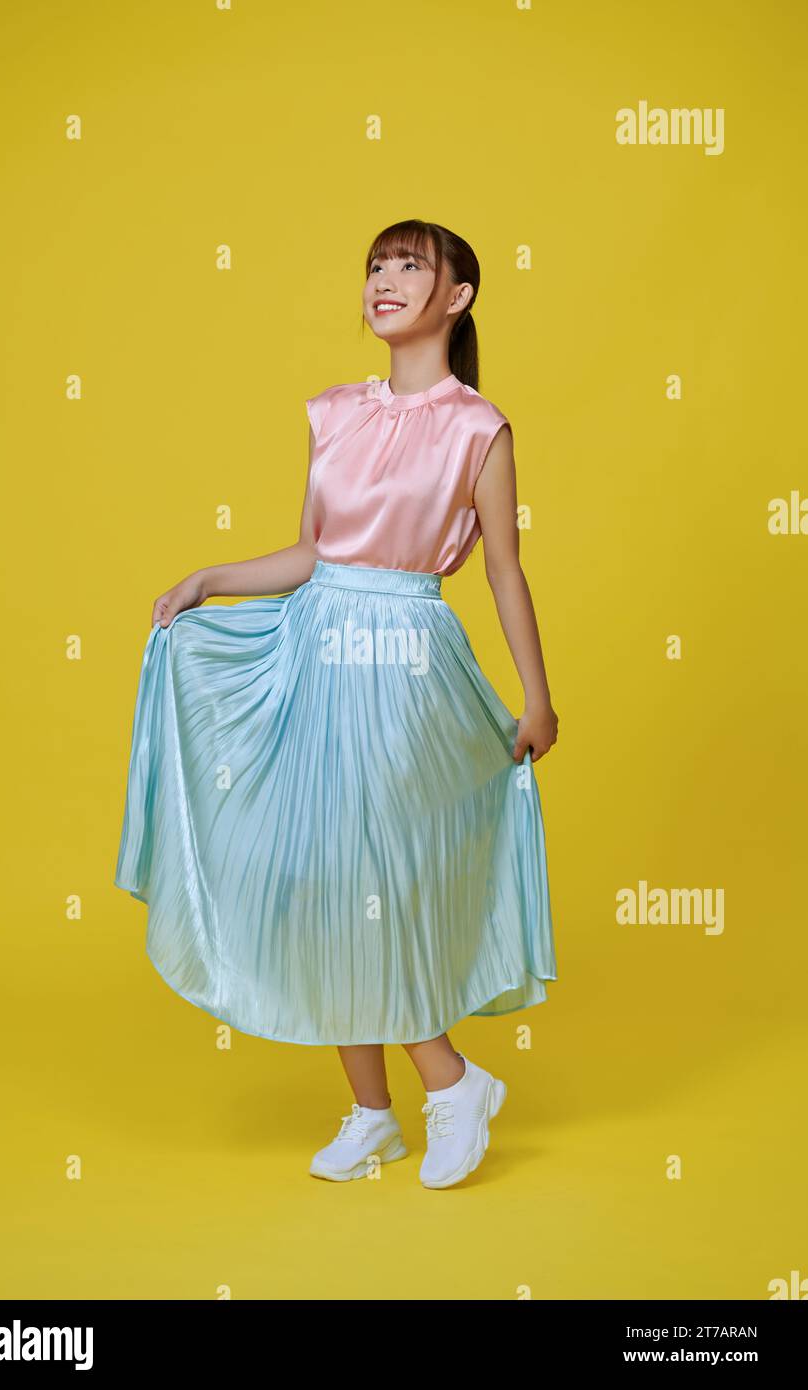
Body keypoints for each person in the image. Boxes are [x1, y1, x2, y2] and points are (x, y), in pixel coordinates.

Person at [115, 218, 559, 1190]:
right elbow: (314, 551)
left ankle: (450, 1083)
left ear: (457, 296)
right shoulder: (331, 411)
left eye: (409, 265)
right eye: (373, 266)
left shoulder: (477, 428)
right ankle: (371, 1114)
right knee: (318, 877)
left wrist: (535, 695)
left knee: (377, 875)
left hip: (401, 662)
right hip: (314, 649)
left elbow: (502, 571)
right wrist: (210, 579)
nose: (384, 280)